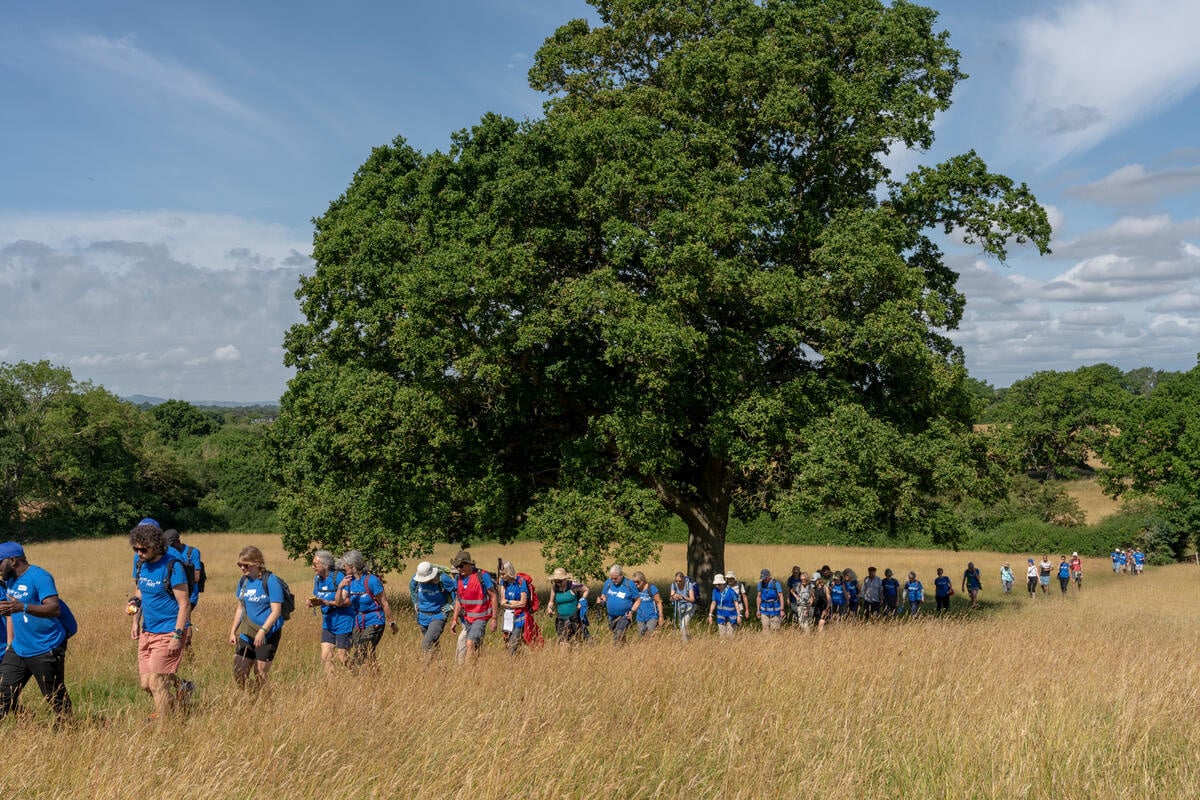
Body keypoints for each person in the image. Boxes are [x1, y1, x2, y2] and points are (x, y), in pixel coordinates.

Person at [0, 542, 72, 723]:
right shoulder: (10, 580)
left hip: (44, 647)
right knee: (3, 693)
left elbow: (54, 609)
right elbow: (12, 611)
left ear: (12, 560)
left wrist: (22, 607)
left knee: (54, 696)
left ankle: (70, 730)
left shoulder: (40, 577)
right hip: (18, 648)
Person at [130, 523, 191, 719]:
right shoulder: (142, 565)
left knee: (157, 682)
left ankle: (165, 730)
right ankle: (177, 705)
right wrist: (133, 606)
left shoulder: (173, 566)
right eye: (135, 549)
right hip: (148, 632)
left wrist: (177, 635)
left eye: (143, 549)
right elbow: (140, 592)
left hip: (169, 631)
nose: (138, 553)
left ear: (156, 546)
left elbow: (184, 604)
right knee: (146, 684)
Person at [228, 546, 285, 691]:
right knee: (239, 672)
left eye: (245, 565)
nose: (242, 568)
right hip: (247, 633)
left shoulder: (271, 581)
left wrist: (263, 631)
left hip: (268, 634)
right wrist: (233, 631)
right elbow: (240, 608)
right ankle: (252, 696)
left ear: (258, 563)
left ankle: (265, 704)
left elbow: (276, 611)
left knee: (260, 673)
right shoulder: (243, 582)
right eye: (239, 564)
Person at [342, 550, 397, 667]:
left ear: (352, 567)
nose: (343, 568)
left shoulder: (372, 581)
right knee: (368, 654)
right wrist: (341, 587)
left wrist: (392, 623)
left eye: (345, 566)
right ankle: (376, 680)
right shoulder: (349, 581)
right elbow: (340, 601)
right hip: (358, 622)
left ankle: (357, 678)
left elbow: (384, 603)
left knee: (362, 651)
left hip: (374, 620)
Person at [308, 550, 352, 674]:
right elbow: (318, 596)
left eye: (315, 564)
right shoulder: (317, 579)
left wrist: (327, 602)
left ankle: (358, 672)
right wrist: (313, 602)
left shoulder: (338, 577)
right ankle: (333, 688)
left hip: (344, 622)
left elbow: (347, 600)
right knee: (325, 656)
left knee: (342, 657)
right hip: (328, 623)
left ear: (325, 564)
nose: (313, 567)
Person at [449, 550, 498, 662]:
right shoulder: (458, 578)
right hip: (467, 619)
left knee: (470, 643)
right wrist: (454, 618)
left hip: (481, 618)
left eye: (461, 566)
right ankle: (476, 670)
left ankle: (466, 673)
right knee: (476, 646)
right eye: (457, 566)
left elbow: (493, 596)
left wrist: (494, 619)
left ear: (468, 564)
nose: (459, 569)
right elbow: (458, 599)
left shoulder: (482, 576)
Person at [409, 561, 456, 657]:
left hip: (438, 616)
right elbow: (411, 587)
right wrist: (415, 602)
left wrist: (452, 605)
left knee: (426, 644)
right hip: (422, 617)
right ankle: (441, 669)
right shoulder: (417, 578)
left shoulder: (443, 579)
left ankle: (424, 670)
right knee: (434, 644)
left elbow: (457, 591)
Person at [596, 564, 639, 644]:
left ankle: (616, 651)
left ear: (621, 576)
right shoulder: (608, 583)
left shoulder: (629, 584)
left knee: (618, 634)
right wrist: (601, 600)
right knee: (618, 636)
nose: (613, 580)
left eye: (615, 578)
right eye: (611, 578)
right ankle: (626, 650)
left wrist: (632, 611)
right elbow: (604, 596)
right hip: (611, 616)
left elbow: (638, 600)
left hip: (624, 616)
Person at [497, 561, 530, 655]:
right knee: (507, 641)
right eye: (501, 574)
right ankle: (518, 658)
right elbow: (502, 602)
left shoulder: (521, 582)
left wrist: (509, 603)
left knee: (514, 640)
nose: (502, 576)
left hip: (520, 616)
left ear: (509, 571)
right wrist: (513, 602)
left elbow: (523, 603)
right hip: (507, 616)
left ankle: (510, 662)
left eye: (503, 574)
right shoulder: (503, 583)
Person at [547, 568, 586, 645]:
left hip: (574, 618)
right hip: (561, 618)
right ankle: (564, 657)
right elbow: (551, 601)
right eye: (556, 581)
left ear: (565, 579)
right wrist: (549, 608)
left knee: (576, 641)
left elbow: (586, 590)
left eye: (560, 581)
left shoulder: (573, 585)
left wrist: (582, 600)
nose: (558, 583)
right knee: (563, 642)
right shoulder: (554, 588)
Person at [629, 571, 663, 637]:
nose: (635, 584)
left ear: (643, 580)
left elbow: (659, 602)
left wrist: (661, 617)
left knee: (649, 634)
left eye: (637, 582)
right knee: (641, 636)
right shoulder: (635, 590)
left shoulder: (652, 588)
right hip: (640, 618)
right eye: (634, 582)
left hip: (652, 616)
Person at [708, 574, 742, 638]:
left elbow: (736, 603)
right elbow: (713, 603)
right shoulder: (715, 591)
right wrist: (710, 615)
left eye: (719, 584)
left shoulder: (731, 592)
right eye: (716, 584)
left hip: (731, 617)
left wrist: (738, 615)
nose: (717, 586)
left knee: (730, 636)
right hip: (721, 617)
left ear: (723, 583)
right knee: (722, 636)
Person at [668, 572, 697, 642]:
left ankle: (685, 643)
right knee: (682, 625)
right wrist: (673, 597)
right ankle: (688, 640)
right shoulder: (673, 585)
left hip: (690, 607)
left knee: (683, 625)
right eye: (676, 581)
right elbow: (671, 598)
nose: (678, 583)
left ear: (683, 579)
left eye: (680, 581)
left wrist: (682, 597)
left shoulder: (689, 585)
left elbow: (692, 599)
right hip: (679, 607)